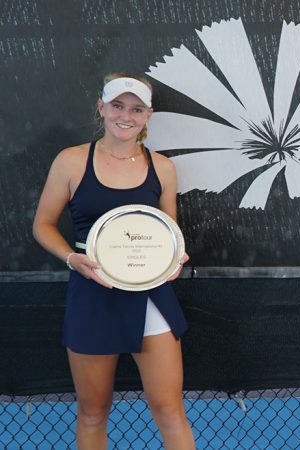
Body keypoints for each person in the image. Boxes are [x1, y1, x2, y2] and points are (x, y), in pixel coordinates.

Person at [33, 73, 196, 449]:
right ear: (101, 107)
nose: (126, 116)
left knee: (170, 411)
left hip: (151, 297)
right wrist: (73, 258)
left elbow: (170, 232)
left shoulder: (163, 168)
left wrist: (176, 256)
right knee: (93, 412)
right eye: (118, 106)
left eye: (136, 109)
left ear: (149, 115)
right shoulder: (71, 162)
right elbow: (42, 225)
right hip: (92, 294)